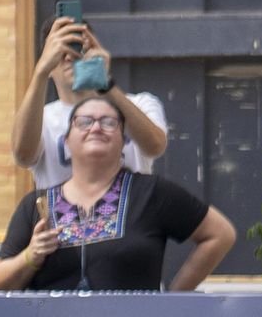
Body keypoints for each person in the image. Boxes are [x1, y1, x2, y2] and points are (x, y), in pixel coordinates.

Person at [0, 95, 234, 293]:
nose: (96, 127)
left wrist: (174, 296)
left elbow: (220, 234)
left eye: (108, 122)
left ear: (124, 140)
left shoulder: (152, 193)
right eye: (84, 122)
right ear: (66, 141)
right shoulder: (36, 205)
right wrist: (31, 256)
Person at [10, 14, 168, 189]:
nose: (70, 57)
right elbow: (22, 156)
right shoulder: (42, 119)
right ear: (48, 62)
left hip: (131, 213)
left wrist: (105, 84)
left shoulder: (140, 104)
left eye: (77, 47)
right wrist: (40, 72)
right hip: (65, 215)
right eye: (60, 52)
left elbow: (155, 146)